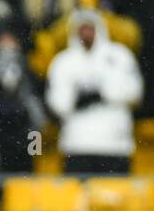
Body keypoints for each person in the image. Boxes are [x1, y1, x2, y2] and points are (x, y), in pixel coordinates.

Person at [45, 9, 142, 174]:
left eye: (90, 28)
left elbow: (135, 92)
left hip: (115, 144)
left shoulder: (119, 55)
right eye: (82, 29)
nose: (86, 33)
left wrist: (103, 92)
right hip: (76, 144)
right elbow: (57, 103)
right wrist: (78, 98)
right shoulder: (63, 61)